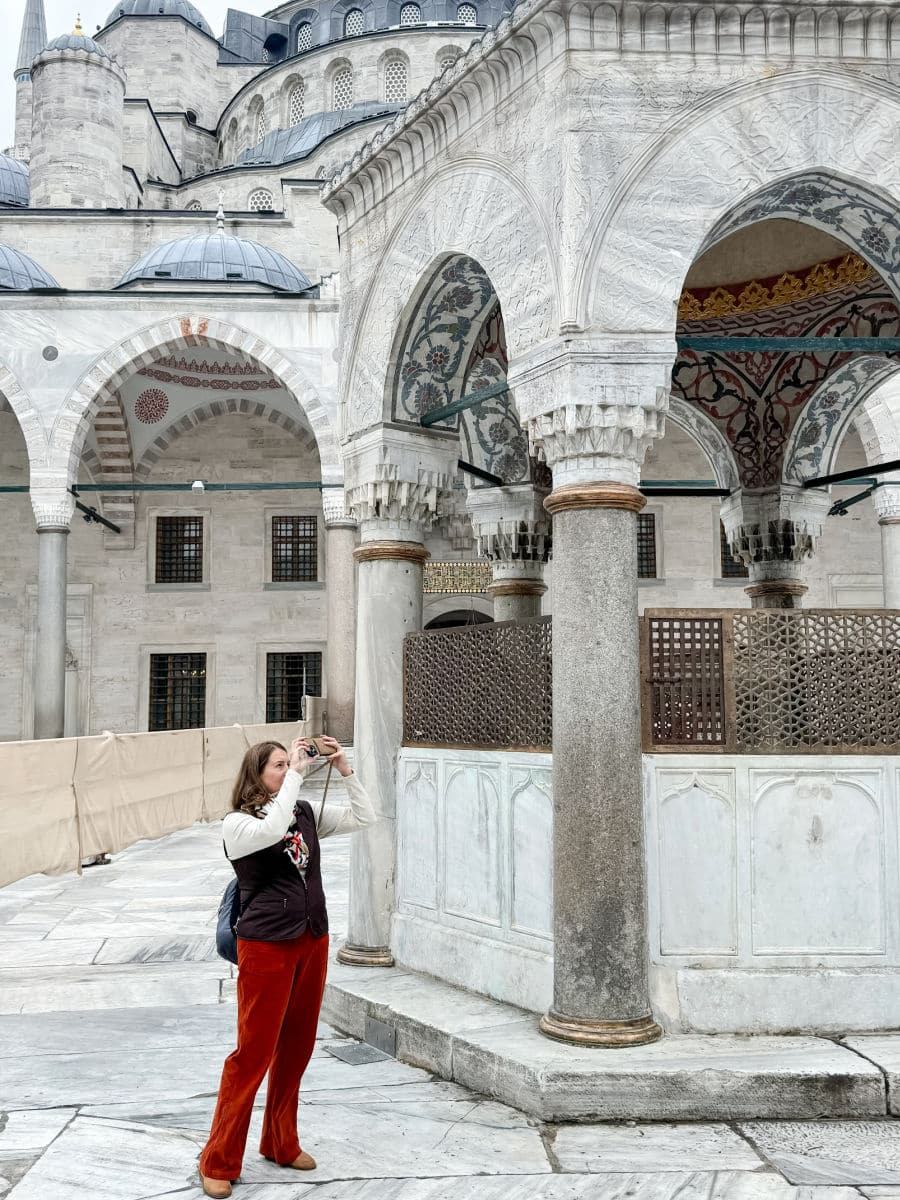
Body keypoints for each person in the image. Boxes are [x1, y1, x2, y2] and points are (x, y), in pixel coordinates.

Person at [199, 735, 376, 1198]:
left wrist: (345, 769)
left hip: (311, 938)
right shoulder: (238, 824)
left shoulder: (302, 812)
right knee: (253, 1053)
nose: (288, 768)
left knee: (297, 1046)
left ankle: (281, 1141)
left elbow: (365, 817)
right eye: (278, 765)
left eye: (288, 762)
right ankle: (218, 1158)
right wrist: (297, 774)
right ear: (256, 775)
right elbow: (274, 829)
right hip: (266, 946)